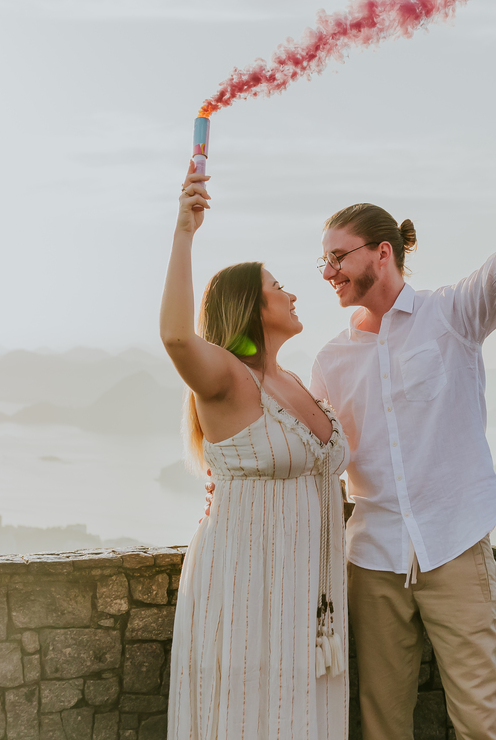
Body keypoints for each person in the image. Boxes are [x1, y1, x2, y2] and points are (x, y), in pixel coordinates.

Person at [309, 125, 496, 739]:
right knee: (383, 726)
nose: (326, 270)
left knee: (479, 721)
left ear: (382, 252)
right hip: (373, 561)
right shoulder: (330, 360)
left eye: (339, 256)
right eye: (323, 259)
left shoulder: (452, 315)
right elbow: (312, 457)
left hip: (456, 546)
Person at [161, 162, 350, 739]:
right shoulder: (227, 381)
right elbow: (174, 336)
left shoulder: (293, 380)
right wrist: (184, 230)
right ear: (251, 307)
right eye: (277, 287)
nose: (293, 293)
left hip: (308, 593)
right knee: (252, 717)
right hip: (249, 585)